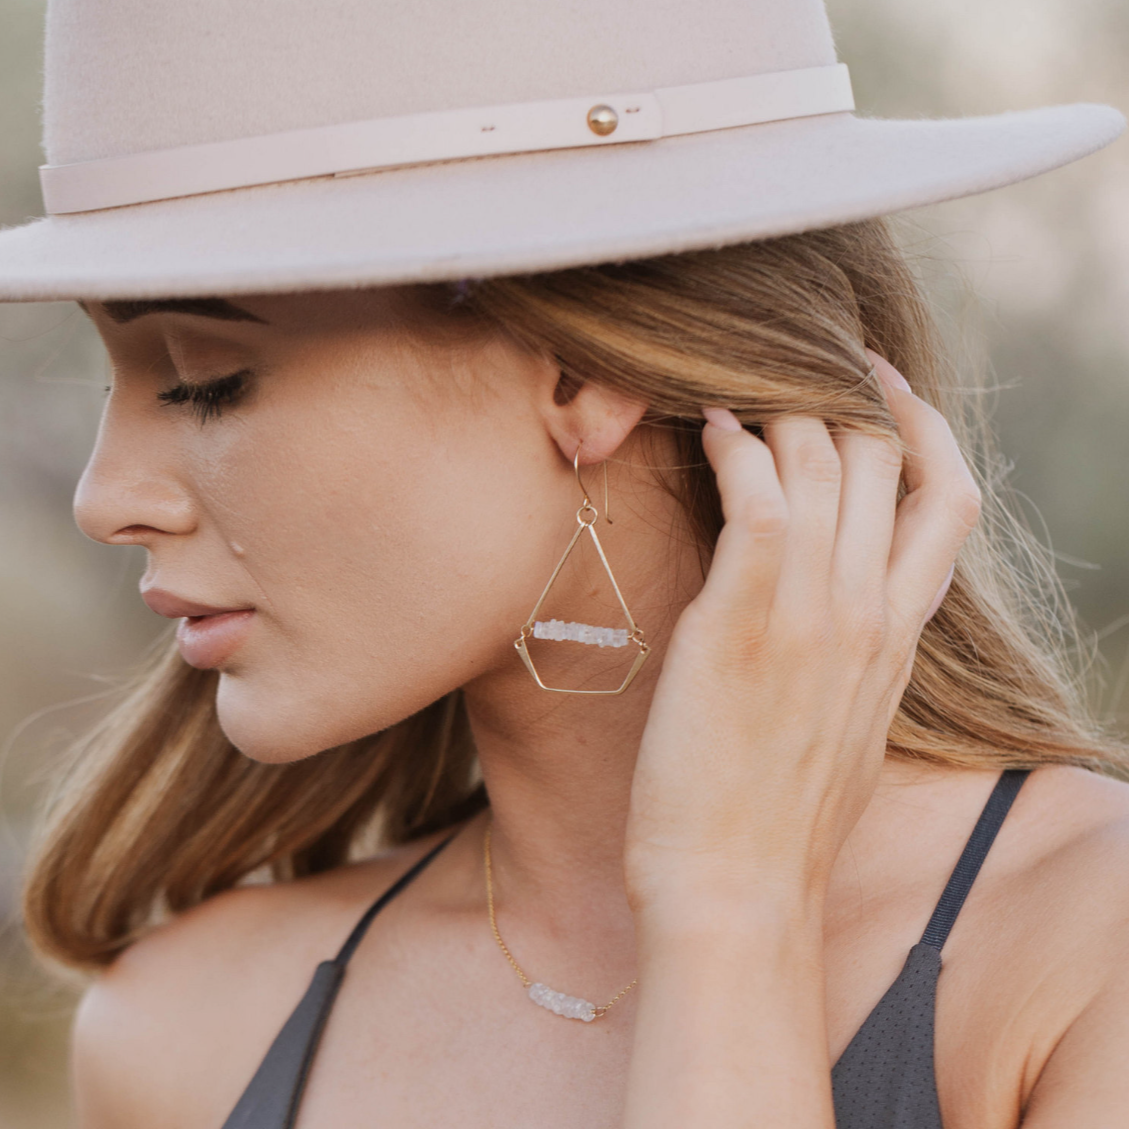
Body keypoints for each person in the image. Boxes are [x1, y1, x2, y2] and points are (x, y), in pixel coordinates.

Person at [3, 0, 1128, 1126]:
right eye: (110, 378)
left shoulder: (1085, 956)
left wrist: (730, 907)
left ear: (581, 380)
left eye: (204, 377)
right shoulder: (183, 1033)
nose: (105, 500)